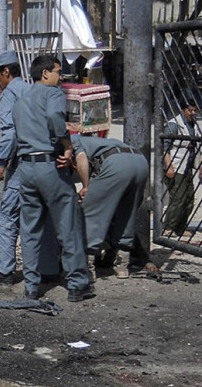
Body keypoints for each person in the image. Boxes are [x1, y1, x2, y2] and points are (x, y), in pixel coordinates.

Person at [12, 55, 94, 302]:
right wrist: (67, 144)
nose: (61, 77)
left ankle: (31, 287)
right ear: (45, 73)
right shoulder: (53, 94)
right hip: (50, 166)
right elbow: (54, 117)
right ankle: (78, 284)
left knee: (30, 229)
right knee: (68, 225)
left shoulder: (20, 100)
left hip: (26, 169)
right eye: (59, 72)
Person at [0, 50, 60, 285]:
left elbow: (10, 134)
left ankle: (5, 271)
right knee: (41, 217)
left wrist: (1, 163)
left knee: (7, 217)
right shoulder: (33, 91)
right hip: (46, 164)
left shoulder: (10, 95)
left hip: (22, 165)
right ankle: (48, 269)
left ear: (6, 72)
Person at [72, 134, 152, 272]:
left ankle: (87, 264)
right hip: (140, 162)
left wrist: (86, 186)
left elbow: (80, 158)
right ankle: (122, 265)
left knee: (90, 212)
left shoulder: (71, 140)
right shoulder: (98, 142)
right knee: (127, 212)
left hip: (116, 163)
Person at [161, 98, 202, 236]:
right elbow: (165, 148)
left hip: (188, 167)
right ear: (183, 110)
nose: (192, 113)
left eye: (194, 110)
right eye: (190, 110)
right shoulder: (174, 125)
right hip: (176, 165)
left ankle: (180, 227)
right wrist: (169, 167)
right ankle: (169, 227)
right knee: (178, 198)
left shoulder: (194, 125)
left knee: (189, 198)